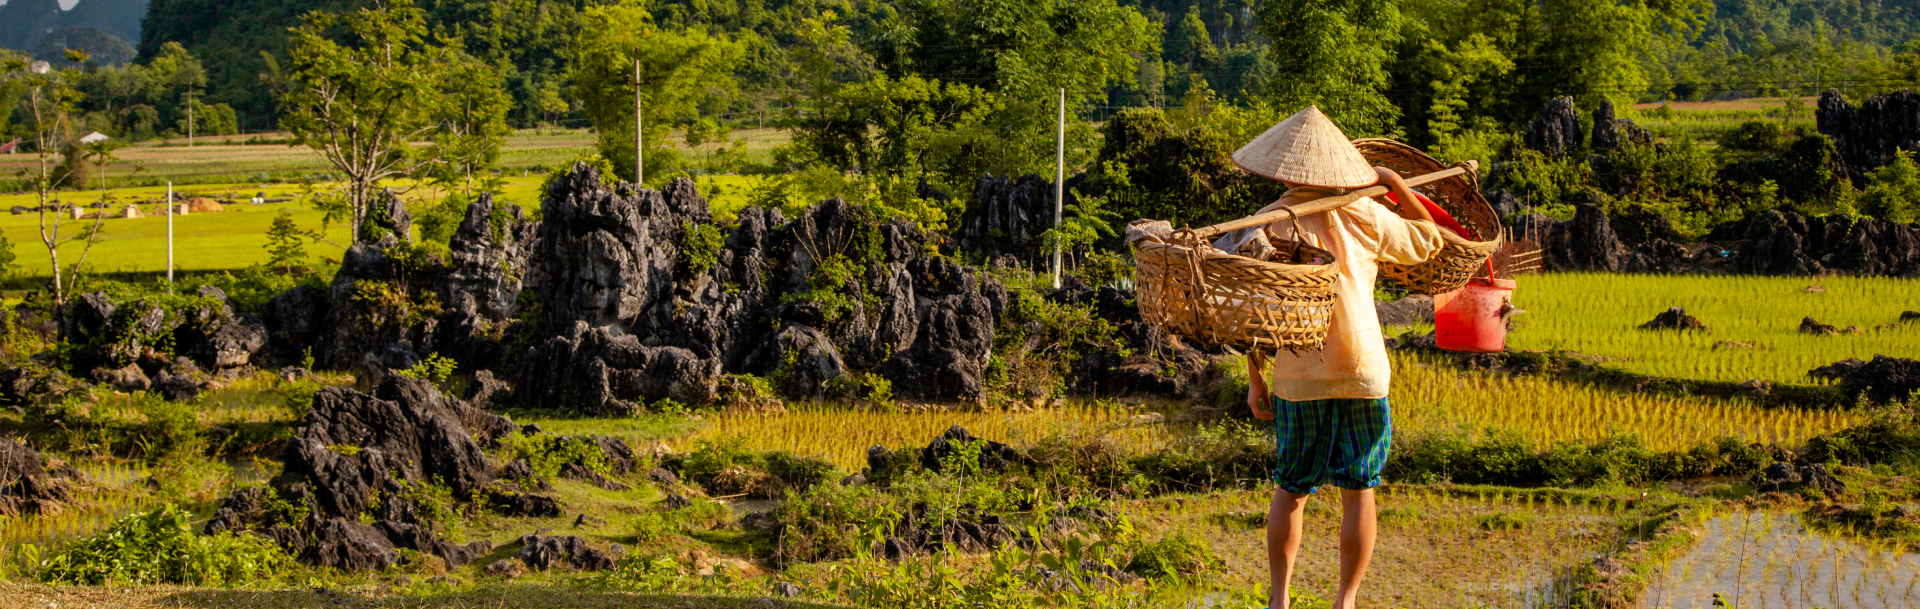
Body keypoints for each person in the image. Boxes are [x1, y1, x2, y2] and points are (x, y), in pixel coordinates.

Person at [1232, 106, 1447, 609]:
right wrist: (1396, 185)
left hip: (1296, 374)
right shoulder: (1367, 212)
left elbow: (1250, 313)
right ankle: (1345, 602)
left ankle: (1279, 599)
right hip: (1361, 370)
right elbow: (1428, 241)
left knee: (1292, 488)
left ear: (1285, 168)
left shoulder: (1267, 224)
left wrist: (1255, 378)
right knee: (1359, 489)